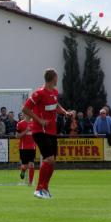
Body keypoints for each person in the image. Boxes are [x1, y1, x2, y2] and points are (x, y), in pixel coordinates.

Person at [22, 68, 74, 199]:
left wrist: (65, 112)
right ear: (53, 78)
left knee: (52, 162)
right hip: (40, 131)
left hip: (51, 131)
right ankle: (38, 189)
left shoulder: (54, 92)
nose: (58, 80)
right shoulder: (38, 93)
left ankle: (45, 188)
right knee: (49, 159)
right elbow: (25, 108)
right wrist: (39, 120)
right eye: (57, 77)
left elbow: (56, 106)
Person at [16, 113, 36, 186]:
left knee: (31, 165)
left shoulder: (34, 123)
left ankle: (30, 183)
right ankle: (23, 171)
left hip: (32, 147)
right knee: (24, 166)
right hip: (23, 148)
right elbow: (17, 136)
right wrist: (26, 131)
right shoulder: (20, 124)